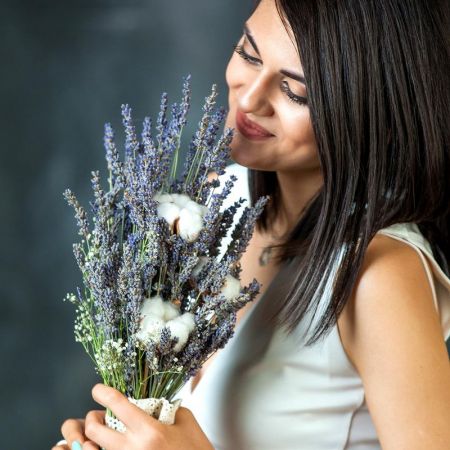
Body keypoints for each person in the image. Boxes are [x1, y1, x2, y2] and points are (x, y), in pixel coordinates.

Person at [54, 0, 450, 449]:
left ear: (374, 111)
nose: (248, 97)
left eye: (295, 91)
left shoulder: (378, 276)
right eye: (249, 52)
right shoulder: (215, 205)